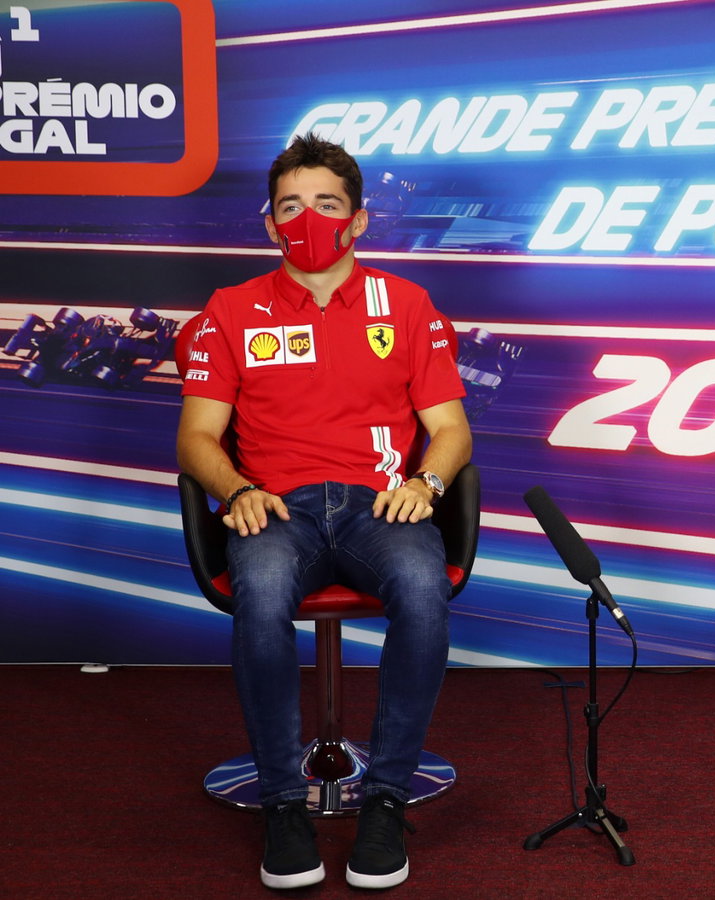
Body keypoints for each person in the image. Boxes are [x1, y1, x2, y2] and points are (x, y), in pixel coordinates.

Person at [176, 134, 471, 890]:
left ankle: (386, 800)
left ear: (359, 219)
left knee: (424, 591)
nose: (307, 218)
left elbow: (451, 430)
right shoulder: (231, 309)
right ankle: (283, 805)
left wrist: (426, 485)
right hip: (278, 508)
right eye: (290, 206)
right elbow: (197, 437)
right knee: (262, 592)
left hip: (382, 505)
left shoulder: (405, 304)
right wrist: (239, 489)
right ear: (270, 223)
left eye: (327, 203)